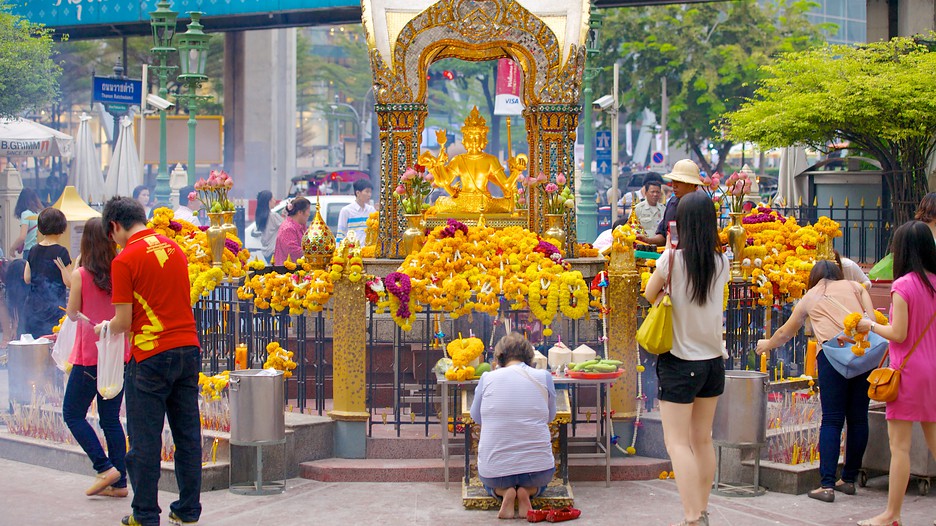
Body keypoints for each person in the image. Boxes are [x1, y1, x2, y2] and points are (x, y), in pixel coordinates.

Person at [98, 196, 202, 526]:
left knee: (145, 440)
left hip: (151, 355)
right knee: (188, 435)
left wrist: (105, 327)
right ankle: (188, 510)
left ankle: (144, 514)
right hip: (188, 349)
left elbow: (123, 321)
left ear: (114, 226)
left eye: (111, 235)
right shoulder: (175, 249)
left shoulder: (125, 260)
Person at [756, 259, 876, 503]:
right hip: (862, 356)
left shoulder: (811, 296)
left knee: (832, 419)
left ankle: (827, 485)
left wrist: (767, 344)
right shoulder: (856, 287)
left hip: (832, 358)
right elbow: (871, 322)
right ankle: (849, 479)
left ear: (814, 277)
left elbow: (785, 332)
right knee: (858, 417)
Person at [644, 191, 729, 526]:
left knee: (677, 443)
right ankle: (702, 509)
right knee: (702, 439)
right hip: (713, 362)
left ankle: (692, 517)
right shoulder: (722, 262)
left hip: (681, 361)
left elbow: (649, 294)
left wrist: (669, 253)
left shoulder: (672, 260)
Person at [856, 221, 936, 526]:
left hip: (907, 373)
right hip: (932, 370)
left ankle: (892, 514)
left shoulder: (903, 286)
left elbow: (899, 333)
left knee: (900, 448)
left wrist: (870, 325)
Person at [63, 217, 130, 499]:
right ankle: (120, 482)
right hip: (118, 354)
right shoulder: (121, 269)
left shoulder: (81, 274)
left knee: (72, 413)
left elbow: (71, 313)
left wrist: (71, 279)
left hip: (90, 356)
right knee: (110, 419)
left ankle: (104, 467)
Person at [469, 332, 556, 519]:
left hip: (496, 474)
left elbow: (475, 417)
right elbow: (550, 417)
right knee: (541, 481)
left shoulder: (487, 377)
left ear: (499, 357)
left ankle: (502, 492)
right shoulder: (544, 376)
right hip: (537, 472)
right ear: (529, 356)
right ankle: (529, 491)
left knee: (489, 481)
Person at [23, 208, 72, 337]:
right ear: (62, 227)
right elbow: (69, 283)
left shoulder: (33, 250)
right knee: (52, 344)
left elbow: (27, 278)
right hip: (54, 310)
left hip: (33, 309)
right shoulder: (61, 252)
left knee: (35, 345)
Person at [638, 159, 703, 246]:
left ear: (691, 184)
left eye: (678, 182)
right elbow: (664, 236)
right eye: (673, 181)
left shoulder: (701, 205)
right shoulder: (672, 203)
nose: (674, 185)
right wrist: (648, 240)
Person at [273, 196, 311, 265]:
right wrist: (312, 252)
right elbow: (293, 251)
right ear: (300, 212)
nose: (309, 215)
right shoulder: (288, 228)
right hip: (287, 268)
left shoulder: (300, 225)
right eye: (308, 212)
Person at [336, 179, 376, 244]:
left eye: (370, 192)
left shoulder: (371, 210)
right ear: (358, 193)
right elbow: (340, 234)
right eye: (367, 192)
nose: (369, 195)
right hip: (352, 248)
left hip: (368, 249)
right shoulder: (346, 211)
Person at [10, 188, 43, 259]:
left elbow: (22, 237)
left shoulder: (26, 214)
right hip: (41, 250)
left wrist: (12, 249)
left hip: (30, 250)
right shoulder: (40, 213)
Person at [252, 190, 284, 263]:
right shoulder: (273, 216)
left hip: (266, 252)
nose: (275, 201)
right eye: (273, 198)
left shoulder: (260, 216)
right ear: (268, 201)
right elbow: (286, 226)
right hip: (274, 251)